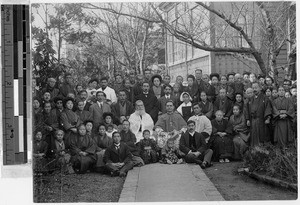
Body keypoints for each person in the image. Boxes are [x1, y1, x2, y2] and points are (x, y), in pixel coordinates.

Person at [245, 82, 272, 147]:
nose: (254, 89)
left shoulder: (265, 98)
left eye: (256, 88)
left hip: (262, 120)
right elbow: (247, 109)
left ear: (260, 88)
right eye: (253, 88)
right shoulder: (251, 99)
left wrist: (268, 118)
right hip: (253, 120)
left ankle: (262, 150)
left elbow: (268, 108)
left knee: (262, 135)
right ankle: (254, 150)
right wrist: (248, 119)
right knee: (254, 135)